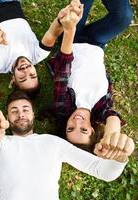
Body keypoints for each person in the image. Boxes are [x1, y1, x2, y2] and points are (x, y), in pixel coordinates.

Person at [0, 89, 134, 200]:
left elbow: (102, 171)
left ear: (33, 115)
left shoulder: (53, 142)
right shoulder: (1, 142)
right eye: (14, 111)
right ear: (7, 118)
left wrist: (119, 157)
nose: (20, 114)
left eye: (25, 109)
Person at [50, 0, 133, 151]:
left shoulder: (63, 106)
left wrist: (70, 29)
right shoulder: (100, 110)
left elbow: (63, 65)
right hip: (96, 42)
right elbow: (113, 117)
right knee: (124, 17)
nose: (76, 122)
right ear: (93, 130)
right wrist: (110, 138)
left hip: (72, 39)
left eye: (70, 128)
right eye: (83, 130)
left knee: (78, 7)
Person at [0, 0, 80, 96]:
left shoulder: (0, 64)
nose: (26, 70)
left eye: (22, 78)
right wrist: (62, 18)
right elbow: (53, 33)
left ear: (13, 80)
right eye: (32, 75)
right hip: (13, 3)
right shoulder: (38, 54)